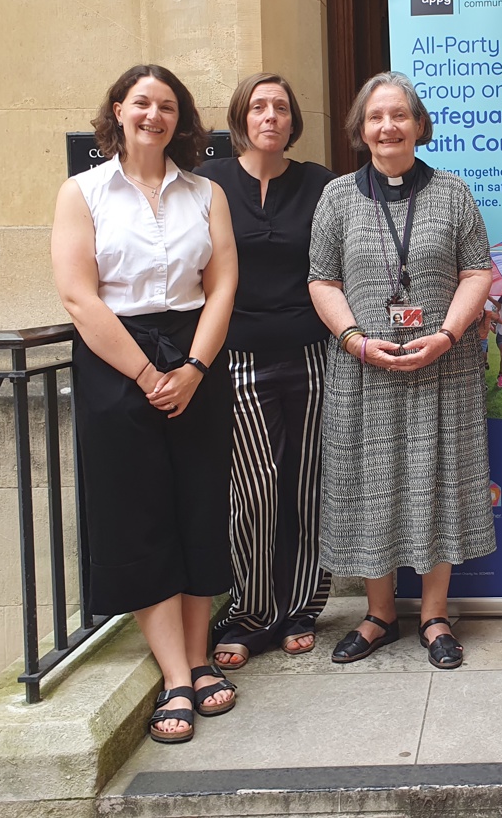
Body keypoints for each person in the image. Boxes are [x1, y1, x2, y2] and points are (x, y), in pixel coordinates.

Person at [51, 64, 239, 745]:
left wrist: (190, 367)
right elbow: (78, 297)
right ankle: (177, 676)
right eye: (141, 103)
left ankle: (195, 654)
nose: (153, 115)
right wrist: (145, 371)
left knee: (197, 506)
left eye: (166, 106)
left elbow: (221, 287)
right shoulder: (83, 193)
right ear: (118, 111)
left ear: (180, 120)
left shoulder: (206, 193)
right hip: (115, 360)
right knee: (139, 517)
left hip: (196, 355)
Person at [307, 71, 495, 670]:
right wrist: (355, 339)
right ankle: (380, 614)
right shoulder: (337, 197)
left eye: (399, 115)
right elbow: (322, 279)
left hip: (442, 367)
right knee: (370, 485)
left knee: (436, 481)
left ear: (419, 125)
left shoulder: (452, 194)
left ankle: (436, 614)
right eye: (375, 118)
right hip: (364, 372)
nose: (387, 127)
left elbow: (478, 272)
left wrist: (445, 335)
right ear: (361, 130)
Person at [197, 73, 334, 670]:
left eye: (281, 106)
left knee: (308, 482)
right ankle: (253, 609)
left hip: (311, 352)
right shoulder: (209, 185)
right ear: (241, 118)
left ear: (292, 119)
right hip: (239, 356)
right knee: (252, 486)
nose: (271, 117)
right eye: (259, 107)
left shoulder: (321, 184)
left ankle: (302, 605)